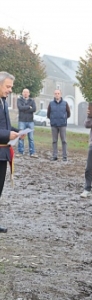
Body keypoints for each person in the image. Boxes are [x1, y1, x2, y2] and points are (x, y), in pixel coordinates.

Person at [0, 71, 20, 233]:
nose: (10, 90)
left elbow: (5, 126)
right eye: (7, 86)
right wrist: (8, 134)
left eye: (11, 87)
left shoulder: (4, 101)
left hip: (3, 154)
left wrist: (17, 131)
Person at [47, 89, 71, 161]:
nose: (57, 95)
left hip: (62, 124)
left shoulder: (65, 103)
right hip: (54, 124)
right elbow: (48, 114)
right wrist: (52, 119)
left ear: (60, 94)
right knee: (54, 141)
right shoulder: (51, 104)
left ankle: (64, 156)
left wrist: (63, 118)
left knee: (64, 141)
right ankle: (54, 155)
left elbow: (68, 113)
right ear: (54, 94)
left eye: (58, 93)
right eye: (55, 93)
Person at [16, 88, 38, 158]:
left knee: (31, 138)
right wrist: (29, 107)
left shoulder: (32, 100)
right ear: (22, 93)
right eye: (24, 92)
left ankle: (32, 152)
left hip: (30, 121)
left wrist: (24, 109)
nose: (25, 93)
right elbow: (20, 108)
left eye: (27, 92)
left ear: (29, 93)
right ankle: (20, 152)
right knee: (21, 137)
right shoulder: (19, 100)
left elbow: (34, 109)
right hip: (22, 121)